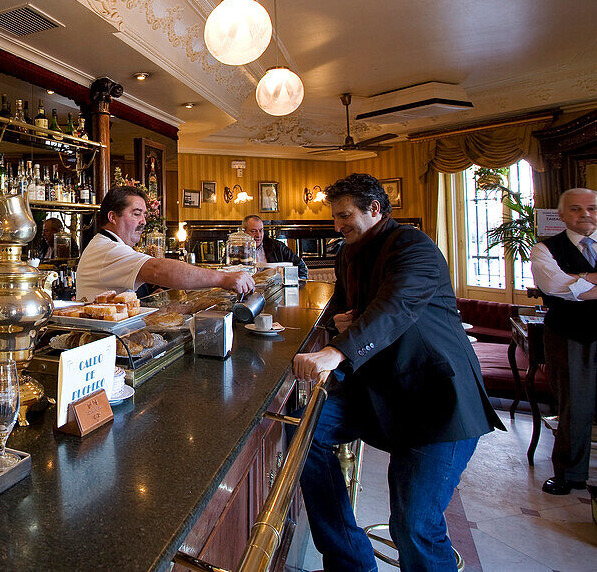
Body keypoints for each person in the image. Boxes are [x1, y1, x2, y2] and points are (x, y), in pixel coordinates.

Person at [292, 173, 501, 571]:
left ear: (375, 209)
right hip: (380, 393)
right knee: (302, 431)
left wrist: (337, 350)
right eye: (334, 217)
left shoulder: (413, 246)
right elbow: (341, 305)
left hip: (437, 401)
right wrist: (339, 322)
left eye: (345, 216)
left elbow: (396, 307)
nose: (338, 226)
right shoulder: (348, 251)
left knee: (413, 526)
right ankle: (351, 559)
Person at [530, 187, 597, 496]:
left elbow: (574, 287)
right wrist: (579, 284)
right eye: (576, 209)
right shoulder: (545, 249)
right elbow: (555, 286)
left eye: (592, 208)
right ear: (561, 214)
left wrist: (580, 281)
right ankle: (570, 474)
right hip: (569, 334)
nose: (585, 214)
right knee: (575, 406)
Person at [76, 185, 255, 300]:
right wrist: (223, 278)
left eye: (144, 215)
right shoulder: (108, 249)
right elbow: (157, 270)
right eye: (136, 214)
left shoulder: (108, 244)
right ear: (112, 217)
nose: (143, 221)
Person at [241, 215, 308, 280]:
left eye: (261, 230)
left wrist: (298, 284)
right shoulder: (236, 249)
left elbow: (301, 266)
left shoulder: (278, 247)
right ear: (244, 232)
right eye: (253, 231)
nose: (259, 235)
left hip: (275, 289)